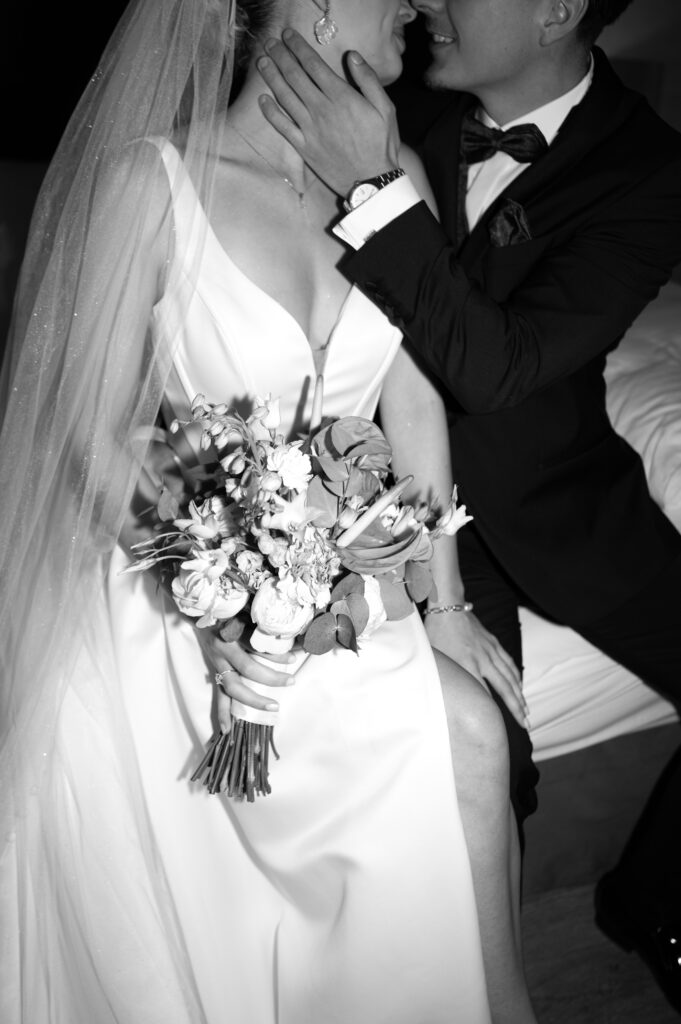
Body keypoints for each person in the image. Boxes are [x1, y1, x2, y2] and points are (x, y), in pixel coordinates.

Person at [0, 1, 541, 1021]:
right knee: (451, 743)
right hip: (184, 588)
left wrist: (447, 604)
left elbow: (413, 394)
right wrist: (211, 597)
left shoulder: (395, 177)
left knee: (469, 733)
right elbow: (85, 426)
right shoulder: (149, 185)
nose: (424, 7)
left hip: (340, 579)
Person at [253, 0, 681, 1013]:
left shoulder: (652, 169)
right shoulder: (382, 103)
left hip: (557, 494)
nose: (430, 2)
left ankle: (650, 899)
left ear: (556, 12)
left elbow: (505, 369)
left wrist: (373, 182)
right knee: (487, 768)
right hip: (404, 501)